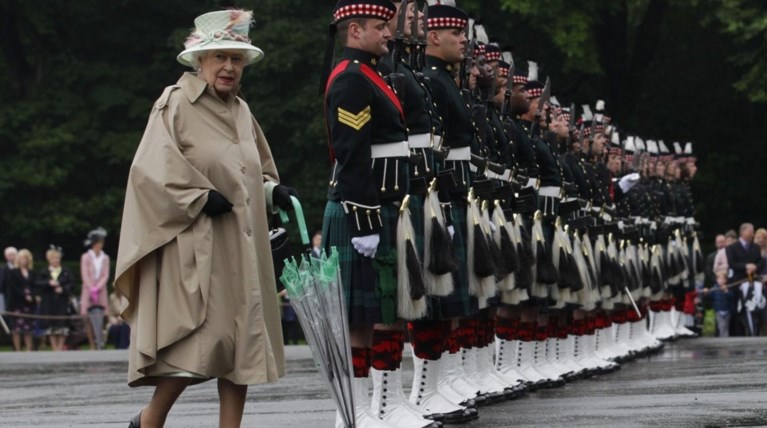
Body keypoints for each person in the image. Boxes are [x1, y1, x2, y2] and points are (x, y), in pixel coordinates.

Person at [114, 9, 296, 428]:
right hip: (198, 247)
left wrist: (272, 191)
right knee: (201, 345)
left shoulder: (242, 112)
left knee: (242, 350)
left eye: (237, 59)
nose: (229, 67)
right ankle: (149, 421)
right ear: (200, 60)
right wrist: (197, 197)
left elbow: (255, 170)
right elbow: (148, 173)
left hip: (244, 246)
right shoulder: (174, 104)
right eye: (220, 57)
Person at [35, 246, 75, 351]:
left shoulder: (66, 271)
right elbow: (37, 284)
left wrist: (63, 289)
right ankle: (54, 347)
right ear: (49, 259)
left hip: (62, 302)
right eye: (53, 258)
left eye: (57, 258)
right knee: (51, 326)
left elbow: (72, 284)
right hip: (48, 303)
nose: (55, 260)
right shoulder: (44, 272)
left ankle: (60, 347)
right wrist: (48, 283)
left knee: (62, 325)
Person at [80, 227, 110, 350]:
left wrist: (98, 287)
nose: (99, 245)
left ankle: (100, 341)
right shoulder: (86, 257)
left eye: (101, 243)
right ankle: (91, 342)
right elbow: (84, 273)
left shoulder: (105, 258)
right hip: (88, 290)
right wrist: (91, 287)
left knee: (102, 315)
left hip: (101, 290)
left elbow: (105, 274)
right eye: (97, 243)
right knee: (87, 316)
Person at [6, 249, 36, 351]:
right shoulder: (13, 273)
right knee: (16, 329)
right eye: (22, 258)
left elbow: (34, 286)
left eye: (26, 258)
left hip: (29, 304)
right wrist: (24, 295)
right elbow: (13, 287)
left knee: (28, 329)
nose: (24, 260)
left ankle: (28, 350)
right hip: (17, 303)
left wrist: (32, 295)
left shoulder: (31, 273)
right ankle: (17, 350)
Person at [704, 271, 735, 337]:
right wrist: (706, 292)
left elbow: (732, 296)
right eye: (719, 279)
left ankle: (724, 337)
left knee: (725, 325)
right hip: (718, 310)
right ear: (717, 280)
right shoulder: (714, 288)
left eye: (723, 279)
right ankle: (724, 337)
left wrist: (726, 291)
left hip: (727, 310)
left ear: (726, 280)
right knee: (721, 325)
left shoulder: (728, 288)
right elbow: (709, 295)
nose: (721, 281)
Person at [0, 246, 18, 313]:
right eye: (9, 255)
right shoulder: (3, 269)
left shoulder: (20, 268)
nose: (11, 257)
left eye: (13, 255)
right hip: (7, 296)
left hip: (19, 296)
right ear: (6, 256)